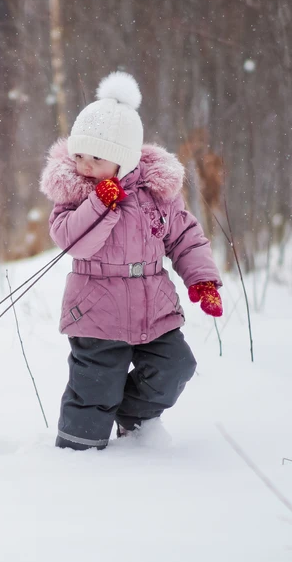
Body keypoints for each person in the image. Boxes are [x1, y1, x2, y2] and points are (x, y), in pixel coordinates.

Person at [38, 71, 223, 450]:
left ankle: (133, 418)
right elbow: (72, 241)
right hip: (96, 308)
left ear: (124, 159)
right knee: (95, 385)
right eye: (80, 155)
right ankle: (78, 452)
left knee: (175, 367)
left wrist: (201, 279)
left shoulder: (158, 192)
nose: (85, 165)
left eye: (96, 157)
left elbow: (184, 236)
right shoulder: (75, 191)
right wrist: (98, 203)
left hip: (152, 305)